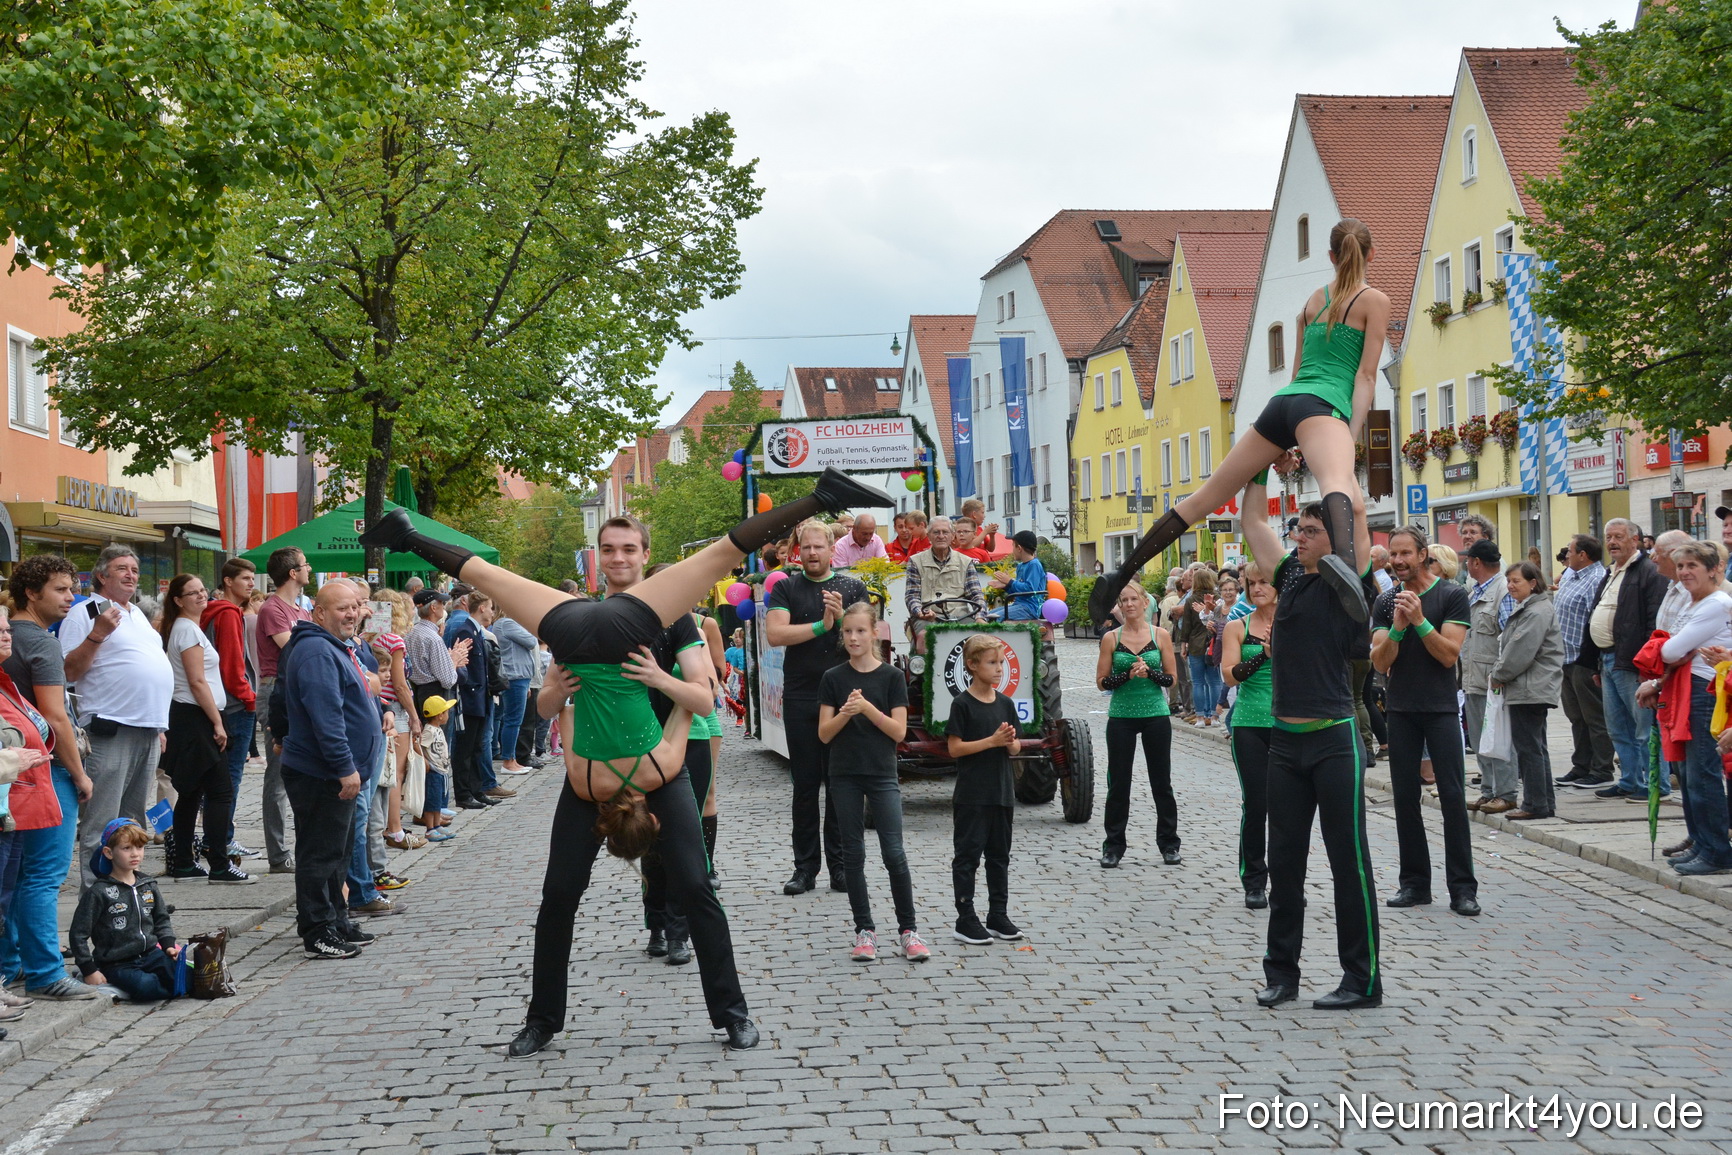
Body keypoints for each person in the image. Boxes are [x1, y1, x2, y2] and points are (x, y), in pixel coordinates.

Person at [360, 465, 890, 1056]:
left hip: (596, 659)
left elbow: (694, 700)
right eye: (609, 549)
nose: (617, 558)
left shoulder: (665, 634)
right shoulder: (637, 756)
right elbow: (582, 709)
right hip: (596, 658)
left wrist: (647, 680)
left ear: (644, 555)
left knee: (686, 888)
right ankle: (553, 1019)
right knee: (574, 895)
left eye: (627, 549)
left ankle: (721, 1013)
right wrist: (563, 690)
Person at [1091, 220, 1389, 628]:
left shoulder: (1313, 300)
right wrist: (1346, 438)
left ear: (1331, 256)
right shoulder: (1375, 300)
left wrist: (1288, 440)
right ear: (1371, 254)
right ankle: (1349, 575)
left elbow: (1297, 373)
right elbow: (1366, 377)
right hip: (1324, 406)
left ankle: (1121, 574)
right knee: (1340, 487)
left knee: (1202, 499)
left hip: (1283, 404)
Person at [1240, 469, 1382, 1011]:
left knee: (1349, 864)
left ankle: (1362, 981)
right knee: (1285, 863)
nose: (1298, 537)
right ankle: (1282, 974)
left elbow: (1358, 514)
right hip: (1284, 742)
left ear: (1335, 537)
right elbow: (1254, 521)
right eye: (1297, 529)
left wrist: (1332, 459)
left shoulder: (1350, 578)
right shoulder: (1292, 578)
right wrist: (1259, 462)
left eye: (1311, 530)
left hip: (1333, 741)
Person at [275, 580, 386, 961]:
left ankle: (337, 919)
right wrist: (343, 767)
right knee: (319, 855)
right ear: (319, 613)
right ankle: (317, 929)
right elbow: (327, 717)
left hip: (335, 771)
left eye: (354, 606)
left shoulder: (335, 647)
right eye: (342, 608)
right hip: (321, 773)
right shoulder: (316, 651)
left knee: (337, 853)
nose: (352, 614)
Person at [1370, 527, 1478, 915]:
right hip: (1401, 710)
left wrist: (1419, 620)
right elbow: (1380, 662)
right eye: (1393, 554)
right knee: (1404, 798)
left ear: (1422, 555)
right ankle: (1414, 884)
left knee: (1452, 797)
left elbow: (1448, 655)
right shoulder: (1386, 601)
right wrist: (1398, 628)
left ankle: (1462, 888)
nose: (1398, 561)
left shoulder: (1451, 595)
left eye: (1405, 554)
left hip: (1441, 709)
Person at [57, 545, 174, 890]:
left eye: (135, 569)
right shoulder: (85, 612)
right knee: (102, 822)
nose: (131, 575)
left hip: (147, 730)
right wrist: (98, 634)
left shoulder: (137, 614)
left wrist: (159, 725)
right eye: (122, 568)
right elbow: (69, 671)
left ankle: (127, 896)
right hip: (110, 729)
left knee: (132, 824)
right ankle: (98, 901)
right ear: (101, 575)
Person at [0, 593, 96, 1004]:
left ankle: (12, 965)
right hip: (30, 786)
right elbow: (56, 717)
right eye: (60, 588)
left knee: (18, 880)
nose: (8, 636)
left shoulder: (7, 680)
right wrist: (78, 773)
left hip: (26, 787)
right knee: (41, 876)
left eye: (7, 628)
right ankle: (44, 972)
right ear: (34, 593)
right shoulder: (40, 642)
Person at [765, 520, 871, 895]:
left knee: (841, 785)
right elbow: (775, 634)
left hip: (843, 697)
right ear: (798, 550)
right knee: (806, 786)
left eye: (819, 547)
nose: (812, 553)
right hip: (801, 696)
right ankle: (805, 868)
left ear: (831, 549)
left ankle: (840, 868)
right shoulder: (786, 587)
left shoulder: (852, 587)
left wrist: (841, 619)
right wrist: (820, 626)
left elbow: (863, 639)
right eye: (806, 547)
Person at [819, 601, 925, 963]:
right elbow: (824, 733)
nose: (853, 637)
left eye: (860, 631)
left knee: (893, 852)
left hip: (882, 775)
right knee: (853, 854)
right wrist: (846, 713)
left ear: (874, 633)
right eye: (848, 631)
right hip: (844, 775)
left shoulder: (892, 677)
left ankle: (908, 930)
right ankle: (864, 930)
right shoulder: (833, 678)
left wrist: (867, 709)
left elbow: (898, 731)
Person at [1644, 540, 1732, 875]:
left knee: (1701, 773)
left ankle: (1716, 850)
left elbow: (1668, 650)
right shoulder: (1694, 602)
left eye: (1692, 566)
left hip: (1703, 691)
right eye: (1680, 566)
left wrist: (1669, 649)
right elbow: (1670, 646)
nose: (1684, 572)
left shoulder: (1715, 604)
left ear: (1713, 570)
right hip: (1685, 688)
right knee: (1688, 772)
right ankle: (1701, 843)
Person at [159, 574, 252, 884]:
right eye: (192, 593)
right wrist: (217, 722)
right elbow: (197, 681)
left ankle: (185, 862)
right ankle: (219, 864)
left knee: (191, 792)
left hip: (192, 716)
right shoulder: (186, 630)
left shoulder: (186, 627)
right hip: (197, 716)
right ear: (177, 600)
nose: (201, 596)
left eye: (202, 590)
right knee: (220, 792)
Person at [1581, 519, 1671, 801]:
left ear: (1635, 540)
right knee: (1618, 729)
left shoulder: (1647, 571)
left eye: (1618, 536)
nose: (1612, 542)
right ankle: (1630, 780)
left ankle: (1656, 785)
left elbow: (1653, 621)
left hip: (1633, 663)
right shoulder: (1611, 571)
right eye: (1608, 537)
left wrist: (1648, 667)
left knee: (1643, 728)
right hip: (1607, 659)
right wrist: (1595, 662)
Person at [945, 634, 1024, 944]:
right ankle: (965, 918)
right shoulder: (962, 704)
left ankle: (997, 915)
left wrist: (1009, 742)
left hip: (1001, 793)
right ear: (973, 665)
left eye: (1001, 663)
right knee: (967, 857)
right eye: (992, 663)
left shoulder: (1005, 703)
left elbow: (1016, 747)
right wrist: (991, 741)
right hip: (972, 795)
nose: (999, 669)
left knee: (999, 856)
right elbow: (954, 748)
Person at [1095, 581, 1180, 868]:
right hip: (1122, 716)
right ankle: (1113, 846)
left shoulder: (1160, 635)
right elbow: (1101, 682)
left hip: (1155, 714)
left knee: (1161, 782)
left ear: (1145, 603)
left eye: (1134, 599)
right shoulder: (1111, 638)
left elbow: (1171, 679)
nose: (1129, 604)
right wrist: (1127, 676)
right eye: (1124, 600)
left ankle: (1169, 843)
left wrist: (1150, 673)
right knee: (1118, 783)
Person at [70, 819, 181, 1001]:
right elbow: (78, 934)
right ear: (109, 853)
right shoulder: (98, 892)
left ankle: (141, 986)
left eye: (139, 847)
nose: (135, 854)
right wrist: (88, 969)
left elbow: (161, 919)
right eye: (127, 848)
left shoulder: (148, 885)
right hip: (116, 962)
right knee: (147, 986)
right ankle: (110, 983)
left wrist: (168, 945)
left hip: (151, 954)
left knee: (187, 977)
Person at [252, 546, 313, 873]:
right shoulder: (272, 609)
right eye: (305, 565)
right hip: (277, 689)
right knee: (278, 776)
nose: (309, 568)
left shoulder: (301, 609)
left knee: (303, 772)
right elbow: (296, 649)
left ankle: (304, 846)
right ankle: (278, 854)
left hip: (299, 688)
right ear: (292, 572)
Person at [1489, 562, 1565, 822]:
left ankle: (1535, 804)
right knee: (1535, 746)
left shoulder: (1536, 611)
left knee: (1529, 748)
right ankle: (1542, 802)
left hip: (1531, 687)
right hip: (1531, 686)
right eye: (1509, 581)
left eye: (1516, 581)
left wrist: (1498, 675)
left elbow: (1519, 651)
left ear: (1532, 583)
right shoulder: (1531, 607)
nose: (1510, 586)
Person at [1222, 561, 1277, 909]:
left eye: (1264, 582)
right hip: (1249, 723)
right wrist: (1263, 656)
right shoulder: (1237, 626)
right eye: (1251, 583)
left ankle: (1288, 880)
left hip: (1288, 723)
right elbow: (1229, 675)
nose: (1257, 588)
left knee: (1289, 808)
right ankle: (1254, 880)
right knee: (1256, 804)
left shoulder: (1295, 622)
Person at [201, 558, 259, 860]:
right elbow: (232, 664)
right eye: (245, 578)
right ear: (228, 581)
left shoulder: (214, 611)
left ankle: (216, 837)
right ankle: (222, 839)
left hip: (219, 702)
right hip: (235, 704)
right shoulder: (227, 613)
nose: (251, 583)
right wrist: (249, 697)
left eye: (252, 578)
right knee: (230, 777)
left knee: (220, 776)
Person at [1460, 540, 1517, 813]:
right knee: (1480, 740)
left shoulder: (1502, 591)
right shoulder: (1475, 592)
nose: (1466, 564)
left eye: (1468, 560)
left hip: (1493, 680)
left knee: (1498, 739)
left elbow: (1510, 639)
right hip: (1473, 678)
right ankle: (1488, 790)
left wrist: (1501, 673)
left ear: (1476, 562)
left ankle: (1506, 793)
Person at [1553, 535, 1613, 790]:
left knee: (1594, 717)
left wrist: (1591, 659)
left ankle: (1602, 769)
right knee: (1576, 716)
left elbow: (1595, 620)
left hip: (1583, 659)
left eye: (1570, 551)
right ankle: (1581, 765)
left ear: (1583, 555)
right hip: (1565, 657)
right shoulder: (1570, 575)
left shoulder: (1596, 579)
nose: (1566, 554)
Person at [904, 517, 986, 653]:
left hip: (960, 616)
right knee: (925, 636)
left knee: (978, 638)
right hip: (928, 617)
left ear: (952, 535)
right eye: (936, 532)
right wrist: (920, 612)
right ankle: (920, 666)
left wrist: (980, 617)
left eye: (945, 532)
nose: (941, 536)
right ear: (929, 536)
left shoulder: (965, 561)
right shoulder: (915, 561)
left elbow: (976, 594)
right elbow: (912, 596)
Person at [491, 608, 539, 776]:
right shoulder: (507, 623)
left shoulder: (503, 624)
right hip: (515, 676)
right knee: (513, 720)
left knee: (513, 720)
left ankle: (512, 759)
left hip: (518, 676)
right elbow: (532, 641)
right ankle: (508, 760)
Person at [418, 696, 457, 842]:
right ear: (440, 715)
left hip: (442, 771)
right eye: (446, 712)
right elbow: (419, 745)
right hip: (433, 771)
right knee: (431, 802)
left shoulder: (438, 729)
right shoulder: (429, 731)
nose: (448, 715)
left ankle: (437, 824)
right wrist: (424, 761)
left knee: (438, 802)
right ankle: (430, 829)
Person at [989, 531, 1047, 621]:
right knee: (987, 615)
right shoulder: (1020, 566)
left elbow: (1030, 590)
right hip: (1019, 605)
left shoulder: (1034, 565)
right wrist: (1006, 586)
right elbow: (1019, 591)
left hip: (1030, 609)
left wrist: (1010, 582)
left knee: (995, 617)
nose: (1012, 550)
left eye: (1013, 546)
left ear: (1019, 548)